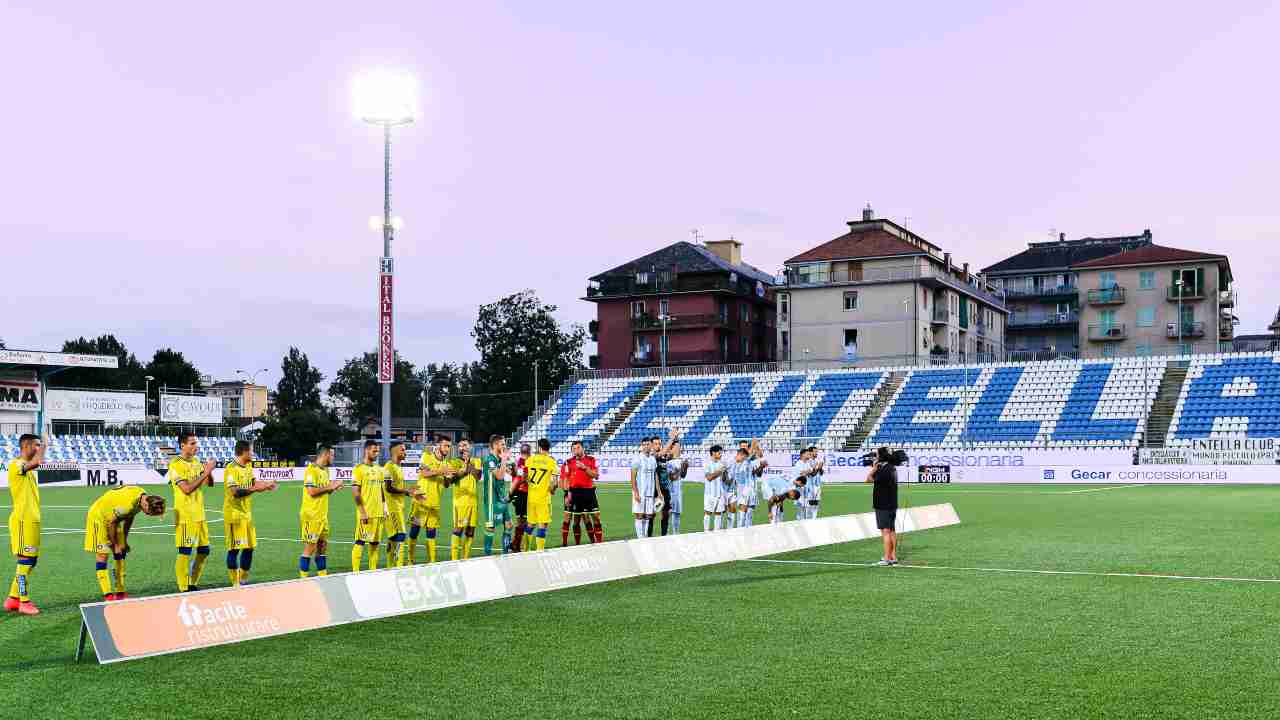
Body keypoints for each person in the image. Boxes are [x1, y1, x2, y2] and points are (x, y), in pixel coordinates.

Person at [84, 485, 165, 600]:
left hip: (113, 515)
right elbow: (112, 523)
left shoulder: (141, 496)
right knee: (103, 554)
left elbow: (129, 517)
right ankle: (107, 594)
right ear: (146, 504)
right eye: (149, 513)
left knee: (121, 551)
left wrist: (124, 541)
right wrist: (114, 543)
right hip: (99, 516)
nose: (147, 514)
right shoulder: (127, 505)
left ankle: (120, 591)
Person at [223, 441, 277, 586]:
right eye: (252, 451)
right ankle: (235, 583)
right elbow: (235, 492)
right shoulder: (231, 468)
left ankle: (243, 579)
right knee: (234, 549)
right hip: (234, 515)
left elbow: (254, 484)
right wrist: (255, 489)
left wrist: (266, 485)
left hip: (246, 514)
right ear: (245, 452)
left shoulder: (247, 467)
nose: (253, 454)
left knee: (249, 547)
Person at [169, 432, 216, 592]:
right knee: (185, 551)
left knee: (204, 550)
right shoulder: (175, 465)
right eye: (192, 443)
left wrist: (208, 470)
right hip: (185, 515)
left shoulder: (196, 461)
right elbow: (187, 489)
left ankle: (192, 583)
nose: (196, 446)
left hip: (199, 514)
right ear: (182, 445)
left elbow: (209, 484)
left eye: (196, 443)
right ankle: (184, 589)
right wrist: (206, 471)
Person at [6, 434, 45, 614]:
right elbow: (37, 462)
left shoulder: (27, 469)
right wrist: (45, 445)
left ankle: (13, 599)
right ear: (27, 446)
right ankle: (24, 602)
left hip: (32, 520)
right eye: (36, 445)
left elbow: (36, 464)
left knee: (31, 561)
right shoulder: (16, 464)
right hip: (22, 520)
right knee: (25, 560)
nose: (38, 449)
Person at [300, 444, 343, 578]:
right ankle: (303, 580)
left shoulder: (325, 471)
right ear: (325, 455)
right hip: (311, 515)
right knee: (310, 548)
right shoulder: (311, 470)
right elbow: (311, 492)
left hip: (322, 516)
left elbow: (325, 491)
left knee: (322, 547)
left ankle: (323, 577)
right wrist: (330, 486)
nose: (333, 458)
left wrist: (333, 488)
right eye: (332, 455)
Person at [409, 437, 454, 563]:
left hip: (435, 503)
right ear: (438, 445)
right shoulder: (427, 456)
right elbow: (424, 474)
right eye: (445, 445)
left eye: (449, 446)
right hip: (421, 500)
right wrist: (441, 471)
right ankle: (410, 559)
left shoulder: (448, 464)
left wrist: (448, 477)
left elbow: (446, 484)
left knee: (431, 532)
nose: (447, 449)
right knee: (415, 530)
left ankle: (432, 561)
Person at [351, 440, 388, 572]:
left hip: (378, 513)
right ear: (366, 450)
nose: (376, 453)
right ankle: (356, 572)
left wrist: (385, 507)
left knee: (375, 543)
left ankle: (372, 571)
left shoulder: (379, 470)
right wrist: (362, 512)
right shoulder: (359, 469)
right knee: (360, 541)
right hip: (366, 513)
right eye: (374, 451)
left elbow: (381, 490)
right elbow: (355, 492)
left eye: (377, 451)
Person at [449, 439, 482, 560]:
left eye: (465, 445)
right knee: (459, 528)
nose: (463, 447)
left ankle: (465, 558)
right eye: (460, 446)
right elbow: (451, 480)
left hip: (473, 501)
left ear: (470, 447)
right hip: (461, 501)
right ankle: (454, 559)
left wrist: (468, 464)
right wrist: (462, 470)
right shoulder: (454, 462)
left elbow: (478, 476)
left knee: (470, 531)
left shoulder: (477, 461)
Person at [523, 438, 559, 551]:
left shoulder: (530, 460)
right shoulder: (551, 461)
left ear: (539, 447)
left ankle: (525, 549)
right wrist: (552, 490)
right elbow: (554, 482)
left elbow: (524, 477)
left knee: (530, 524)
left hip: (531, 497)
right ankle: (540, 551)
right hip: (543, 498)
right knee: (543, 525)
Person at [563, 441, 601, 544]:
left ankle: (599, 543)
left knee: (596, 518)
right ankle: (576, 545)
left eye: (578, 448)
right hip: (574, 493)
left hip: (589, 492)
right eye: (574, 449)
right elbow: (566, 479)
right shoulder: (568, 462)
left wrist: (585, 468)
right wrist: (567, 494)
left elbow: (596, 475)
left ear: (583, 448)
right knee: (576, 521)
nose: (576, 451)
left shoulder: (591, 460)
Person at [866, 447, 899, 566]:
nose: (875, 456)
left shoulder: (883, 470)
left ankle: (886, 558)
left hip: (883, 504)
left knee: (885, 532)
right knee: (891, 531)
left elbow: (868, 480)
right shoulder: (892, 468)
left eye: (877, 454)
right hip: (891, 503)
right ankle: (893, 556)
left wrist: (873, 469)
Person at [482, 435, 513, 555]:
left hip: (502, 498)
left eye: (504, 444)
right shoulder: (489, 460)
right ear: (495, 445)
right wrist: (504, 459)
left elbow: (510, 472)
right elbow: (499, 476)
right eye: (502, 444)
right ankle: (487, 555)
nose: (504, 446)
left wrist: (508, 462)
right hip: (492, 500)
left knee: (509, 525)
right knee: (491, 528)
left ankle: (505, 553)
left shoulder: (499, 459)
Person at [382, 441, 411, 566]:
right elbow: (388, 488)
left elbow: (397, 487)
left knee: (393, 537)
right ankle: (399, 567)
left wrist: (409, 491)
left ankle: (390, 566)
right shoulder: (389, 467)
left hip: (398, 506)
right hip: (392, 506)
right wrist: (406, 491)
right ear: (394, 451)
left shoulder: (398, 467)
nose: (405, 452)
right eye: (402, 450)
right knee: (401, 535)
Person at [729, 440, 768, 528]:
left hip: (752, 488)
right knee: (742, 513)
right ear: (739, 448)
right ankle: (739, 532)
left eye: (746, 446)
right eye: (742, 446)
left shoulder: (752, 461)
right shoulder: (736, 459)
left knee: (749, 513)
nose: (744, 448)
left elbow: (758, 474)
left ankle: (748, 533)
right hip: (741, 488)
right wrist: (754, 445)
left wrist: (761, 466)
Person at [630, 437, 658, 537]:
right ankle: (640, 538)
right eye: (644, 444)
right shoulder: (637, 458)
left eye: (648, 444)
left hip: (650, 493)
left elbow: (655, 476)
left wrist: (658, 493)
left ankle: (644, 536)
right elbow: (633, 477)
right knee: (639, 515)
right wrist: (636, 493)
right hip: (640, 492)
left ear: (651, 445)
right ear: (642, 446)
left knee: (648, 515)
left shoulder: (652, 459)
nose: (646, 446)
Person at [661, 441, 688, 535]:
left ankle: (676, 532)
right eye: (677, 447)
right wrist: (680, 470)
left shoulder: (681, 461)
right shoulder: (668, 462)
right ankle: (666, 532)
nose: (679, 449)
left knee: (677, 513)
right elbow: (672, 477)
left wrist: (685, 468)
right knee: (667, 512)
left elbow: (683, 476)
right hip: (669, 490)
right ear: (672, 448)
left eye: (679, 447)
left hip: (678, 490)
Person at [510, 444, 531, 551]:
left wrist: (511, 494)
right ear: (529, 452)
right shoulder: (526, 462)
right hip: (524, 494)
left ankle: (516, 543)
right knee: (524, 521)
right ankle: (516, 544)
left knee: (521, 520)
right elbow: (522, 479)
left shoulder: (517, 462)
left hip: (518, 493)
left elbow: (514, 477)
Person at [703, 445, 728, 531]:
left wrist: (725, 472)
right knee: (708, 513)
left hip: (720, 493)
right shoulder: (707, 463)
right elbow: (709, 478)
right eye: (719, 452)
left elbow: (724, 480)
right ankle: (706, 532)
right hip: (710, 494)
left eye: (721, 453)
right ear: (713, 453)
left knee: (718, 514)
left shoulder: (721, 464)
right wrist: (720, 471)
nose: (721, 454)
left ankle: (717, 533)